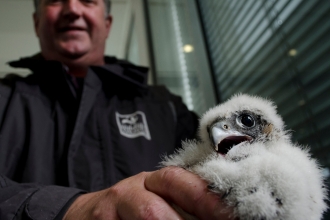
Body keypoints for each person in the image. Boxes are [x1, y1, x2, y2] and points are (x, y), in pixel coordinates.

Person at [0, 0, 232, 219]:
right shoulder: (4, 97)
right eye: (54, 0)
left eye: (89, 0)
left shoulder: (167, 107)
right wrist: (69, 209)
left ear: (107, 24)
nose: (72, 7)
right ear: (37, 22)